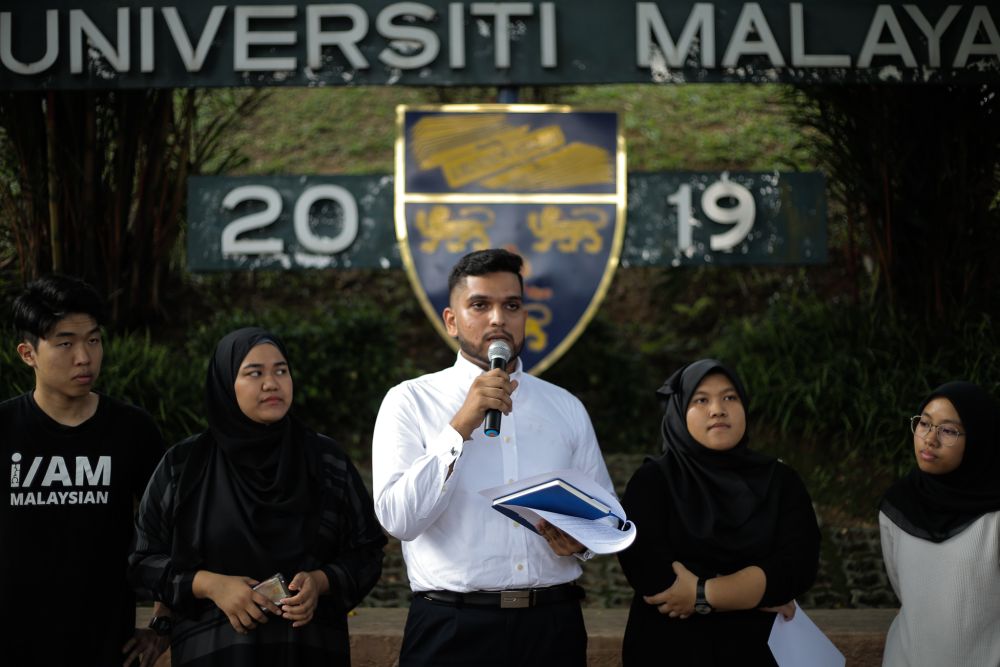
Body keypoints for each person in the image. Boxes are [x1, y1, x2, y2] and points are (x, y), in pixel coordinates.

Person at [372, 248, 615, 666]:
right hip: (451, 628)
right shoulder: (410, 401)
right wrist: (459, 427)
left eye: (512, 305)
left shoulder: (565, 407)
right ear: (451, 320)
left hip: (552, 626)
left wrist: (583, 542)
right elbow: (399, 520)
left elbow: (605, 519)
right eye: (480, 305)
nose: (498, 318)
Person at [128, 327, 386, 665]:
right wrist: (209, 585)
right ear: (225, 383)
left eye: (281, 370)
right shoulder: (185, 465)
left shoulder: (324, 460)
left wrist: (320, 582)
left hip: (308, 650)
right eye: (254, 373)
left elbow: (366, 551)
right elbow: (142, 561)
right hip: (215, 653)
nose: (271, 383)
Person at [1, 274, 169, 666]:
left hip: (106, 648)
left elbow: (178, 531)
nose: (84, 356)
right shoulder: (4, 427)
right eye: (65, 343)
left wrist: (163, 623)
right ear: (28, 354)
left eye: (93, 340)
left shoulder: (133, 430)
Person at [617, 359, 820, 666]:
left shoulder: (780, 482)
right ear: (680, 409)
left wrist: (701, 593)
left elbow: (797, 568)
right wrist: (754, 591)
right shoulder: (651, 483)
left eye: (730, 397)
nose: (717, 409)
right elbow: (652, 576)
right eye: (701, 400)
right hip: (668, 651)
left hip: (756, 652)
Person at [879, 381, 1000, 666]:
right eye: (924, 424)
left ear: (979, 439)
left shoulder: (994, 517)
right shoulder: (897, 506)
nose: (929, 440)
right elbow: (902, 587)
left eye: (947, 430)